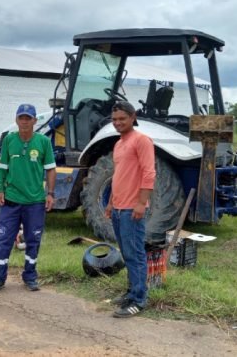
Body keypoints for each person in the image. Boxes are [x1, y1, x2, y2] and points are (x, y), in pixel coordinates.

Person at [0, 103, 56, 294]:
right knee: (3, 240)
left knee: (33, 241)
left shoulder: (43, 142)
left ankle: (30, 277)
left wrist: (50, 193)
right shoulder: (9, 140)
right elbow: (2, 168)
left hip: (35, 202)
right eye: (21, 118)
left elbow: (50, 168)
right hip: (11, 201)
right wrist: (0, 189)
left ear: (34, 121)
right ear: (16, 120)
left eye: (28, 118)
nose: (24, 122)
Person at [104, 101, 155, 318]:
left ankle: (139, 300)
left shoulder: (141, 140)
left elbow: (149, 173)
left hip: (131, 209)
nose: (117, 123)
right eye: (114, 119)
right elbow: (118, 176)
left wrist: (141, 203)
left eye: (122, 119)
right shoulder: (119, 144)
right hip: (118, 207)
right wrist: (110, 203)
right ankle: (131, 292)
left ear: (133, 117)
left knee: (135, 254)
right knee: (126, 253)